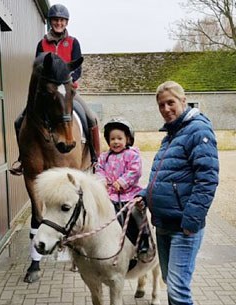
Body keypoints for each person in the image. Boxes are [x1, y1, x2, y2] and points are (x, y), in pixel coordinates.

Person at [133, 81, 219, 305]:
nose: (166, 109)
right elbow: (166, 177)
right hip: (163, 224)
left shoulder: (198, 130)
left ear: (183, 100)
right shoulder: (171, 134)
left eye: (170, 102)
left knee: (179, 290)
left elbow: (207, 179)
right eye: (161, 105)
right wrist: (144, 194)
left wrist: (191, 221)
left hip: (183, 227)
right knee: (169, 282)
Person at [10, 4, 100, 175]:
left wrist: (67, 83)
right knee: (18, 121)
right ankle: (23, 160)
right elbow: (37, 69)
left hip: (67, 91)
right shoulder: (42, 44)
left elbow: (77, 67)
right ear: (50, 22)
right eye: (56, 20)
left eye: (62, 20)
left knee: (91, 117)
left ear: (66, 22)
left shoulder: (73, 42)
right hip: (47, 93)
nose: (59, 23)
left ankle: (96, 157)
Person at [95, 118, 149, 254]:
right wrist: (102, 181)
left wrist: (122, 182)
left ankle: (143, 238)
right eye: (112, 139)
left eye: (120, 138)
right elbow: (99, 169)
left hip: (129, 193)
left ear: (128, 140)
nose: (116, 142)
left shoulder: (131, 155)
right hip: (110, 193)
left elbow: (135, 171)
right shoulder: (104, 157)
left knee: (136, 213)